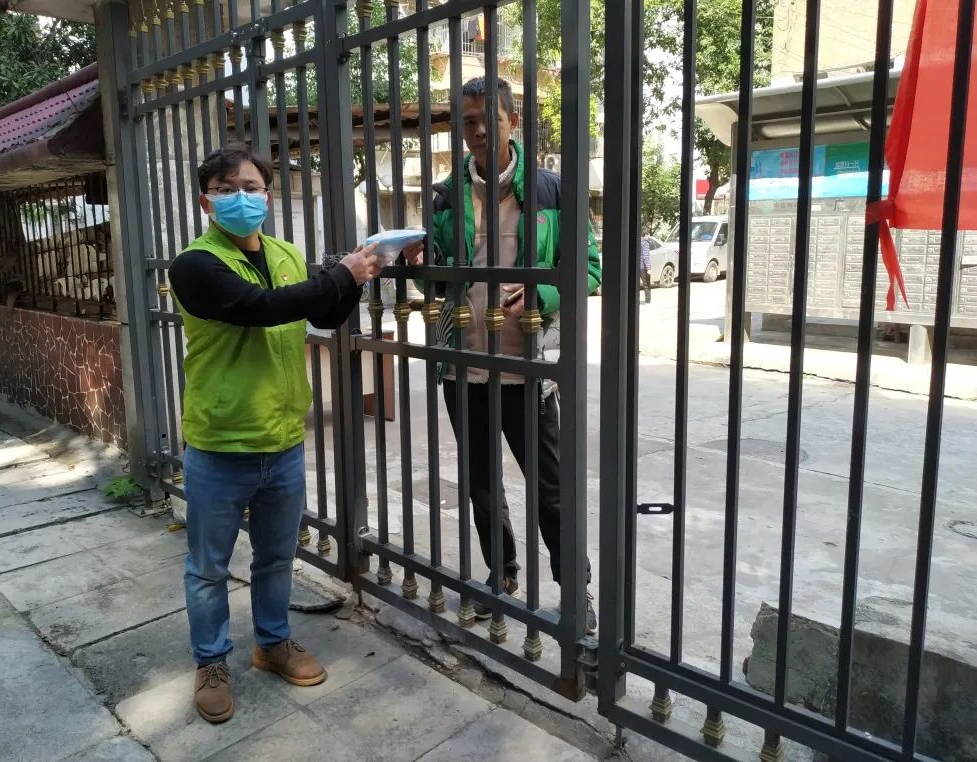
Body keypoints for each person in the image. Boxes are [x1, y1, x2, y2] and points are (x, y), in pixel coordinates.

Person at [168, 144, 381, 724]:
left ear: (267, 195)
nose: (241, 197)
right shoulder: (194, 264)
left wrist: (358, 277)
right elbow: (259, 307)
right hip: (221, 443)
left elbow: (324, 314)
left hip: (282, 440)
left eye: (252, 187)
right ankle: (211, 662)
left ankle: (272, 642)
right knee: (208, 568)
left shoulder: (285, 253)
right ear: (205, 201)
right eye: (226, 189)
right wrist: (340, 273)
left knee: (276, 558)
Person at [404, 78, 602, 632]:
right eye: (467, 121)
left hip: (529, 368)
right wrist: (421, 266)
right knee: (482, 484)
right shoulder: (445, 197)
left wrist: (542, 296)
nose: (478, 131)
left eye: (488, 118)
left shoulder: (552, 192)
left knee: (551, 488)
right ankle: (503, 574)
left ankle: (575, 590)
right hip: (462, 364)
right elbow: (438, 280)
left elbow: (589, 267)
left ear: (513, 120)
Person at [640, 229, 653, 304]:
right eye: (648, 235)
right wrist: (649, 268)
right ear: (646, 235)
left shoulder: (638, 241)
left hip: (638, 266)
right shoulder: (645, 242)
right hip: (643, 266)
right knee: (646, 284)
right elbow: (646, 256)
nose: (649, 237)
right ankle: (648, 300)